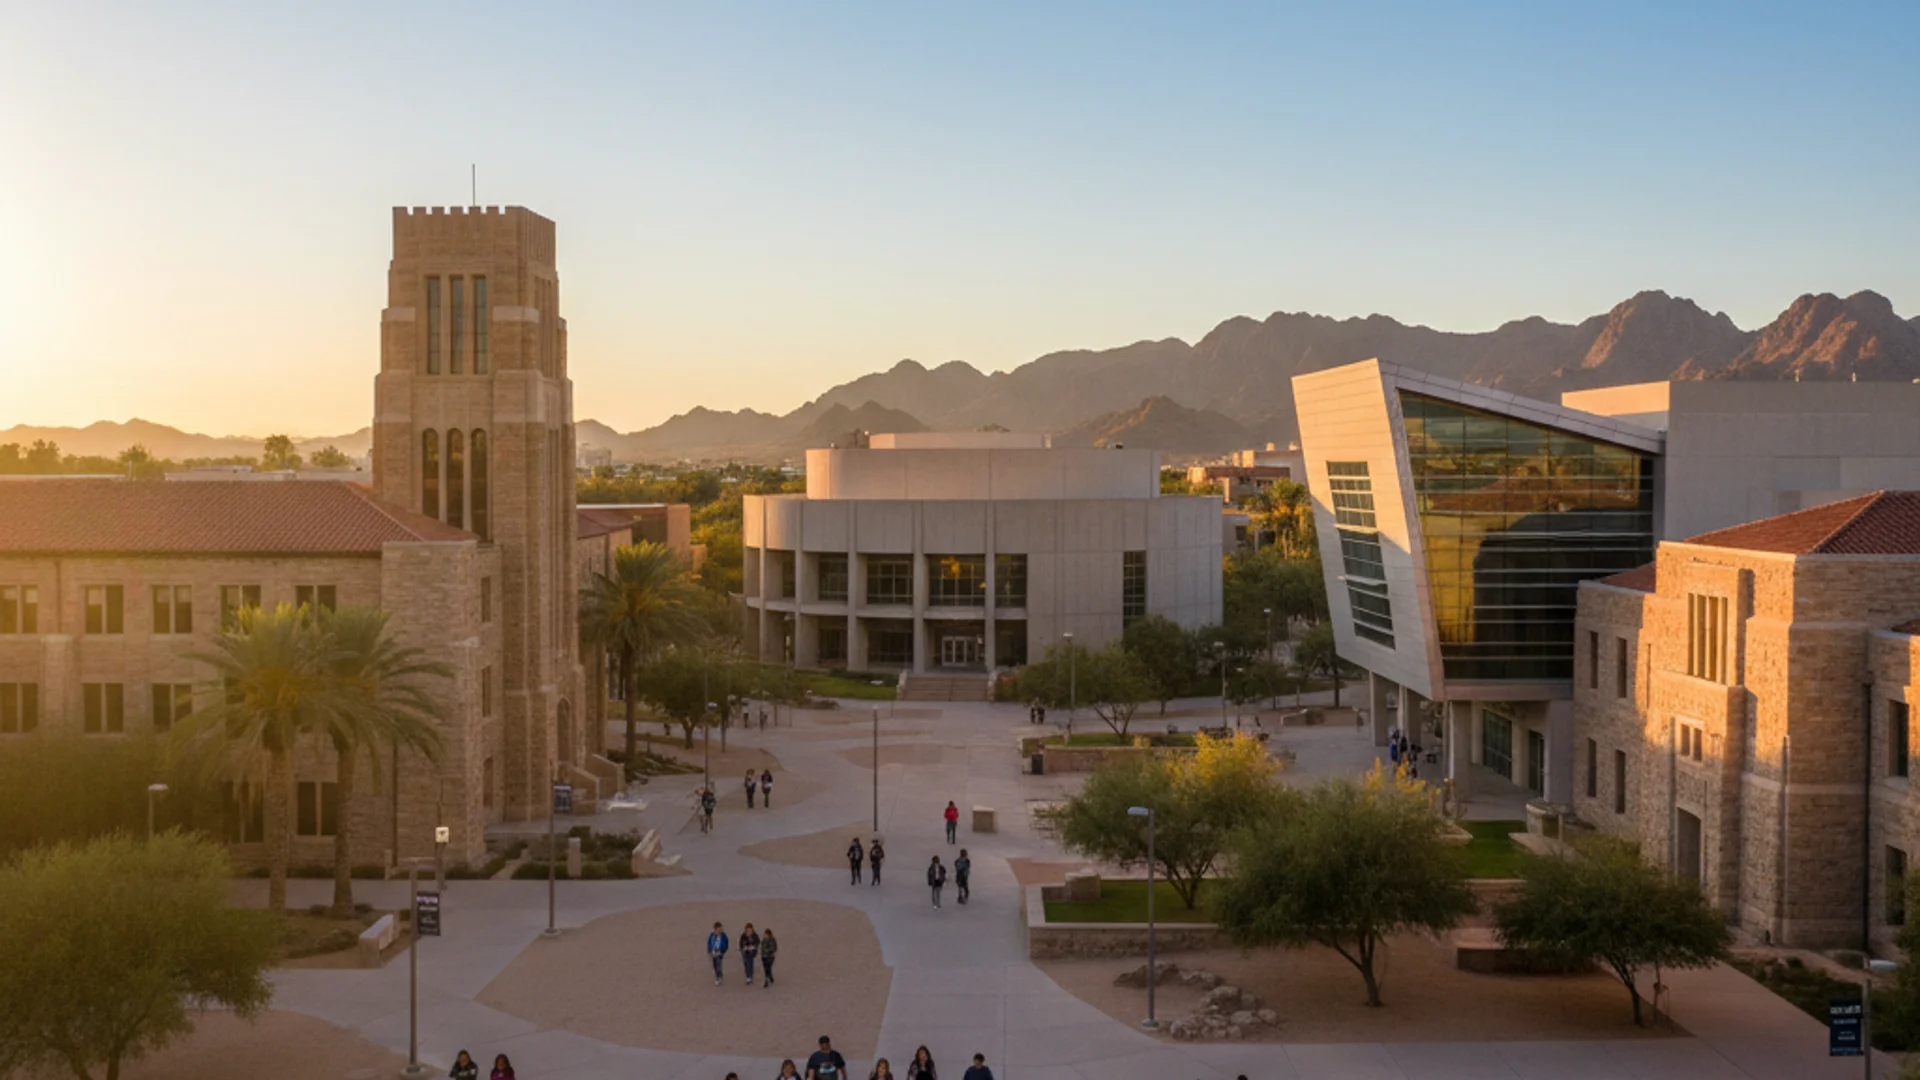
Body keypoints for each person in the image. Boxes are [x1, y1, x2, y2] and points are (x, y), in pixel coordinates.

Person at [706, 921, 729, 985]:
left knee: (719, 965)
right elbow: (709, 942)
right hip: (713, 952)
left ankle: (719, 977)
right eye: (718, 929)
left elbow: (726, 943)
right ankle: (717, 975)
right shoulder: (712, 935)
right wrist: (709, 950)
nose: (720, 931)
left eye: (720, 929)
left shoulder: (723, 936)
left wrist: (723, 951)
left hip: (719, 952)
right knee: (714, 965)